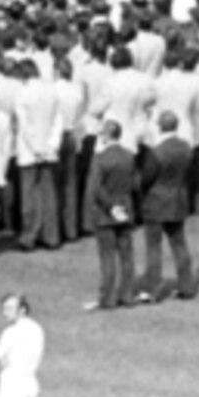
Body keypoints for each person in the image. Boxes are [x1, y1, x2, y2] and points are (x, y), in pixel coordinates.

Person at [134, 111, 194, 301]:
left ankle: (151, 289)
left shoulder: (158, 152)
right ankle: (187, 285)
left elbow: (146, 178)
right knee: (179, 244)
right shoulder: (186, 148)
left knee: (154, 247)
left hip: (156, 203)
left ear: (160, 126)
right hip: (177, 200)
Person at [85, 120, 138, 310]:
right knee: (127, 256)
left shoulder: (99, 158)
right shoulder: (129, 157)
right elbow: (135, 184)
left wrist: (110, 206)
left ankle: (108, 298)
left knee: (107, 257)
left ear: (106, 136)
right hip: (126, 210)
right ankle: (127, 295)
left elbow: (96, 188)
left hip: (105, 214)